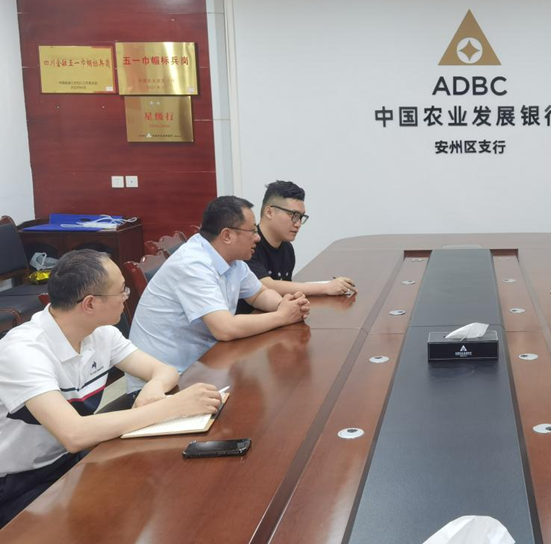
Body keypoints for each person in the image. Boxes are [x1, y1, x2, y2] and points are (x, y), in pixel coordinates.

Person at [0, 250, 221, 527]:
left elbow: (163, 371)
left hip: (67, 461)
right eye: (121, 290)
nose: (126, 296)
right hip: (16, 483)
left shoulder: (101, 333)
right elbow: (74, 433)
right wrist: (170, 407)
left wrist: (152, 389)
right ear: (90, 303)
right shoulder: (23, 351)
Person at [127, 196, 310, 392]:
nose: (257, 237)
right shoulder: (193, 264)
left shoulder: (232, 259)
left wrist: (284, 304)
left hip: (204, 364)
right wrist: (282, 316)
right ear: (227, 235)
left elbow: (258, 294)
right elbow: (225, 328)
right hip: (164, 385)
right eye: (252, 231)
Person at [235, 181, 355, 314]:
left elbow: (285, 293)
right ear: (269, 212)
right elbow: (266, 286)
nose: (298, 224)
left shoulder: (287, 248)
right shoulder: (248, 246)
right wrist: (325, 287)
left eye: (301, 217)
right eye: (293, 215)